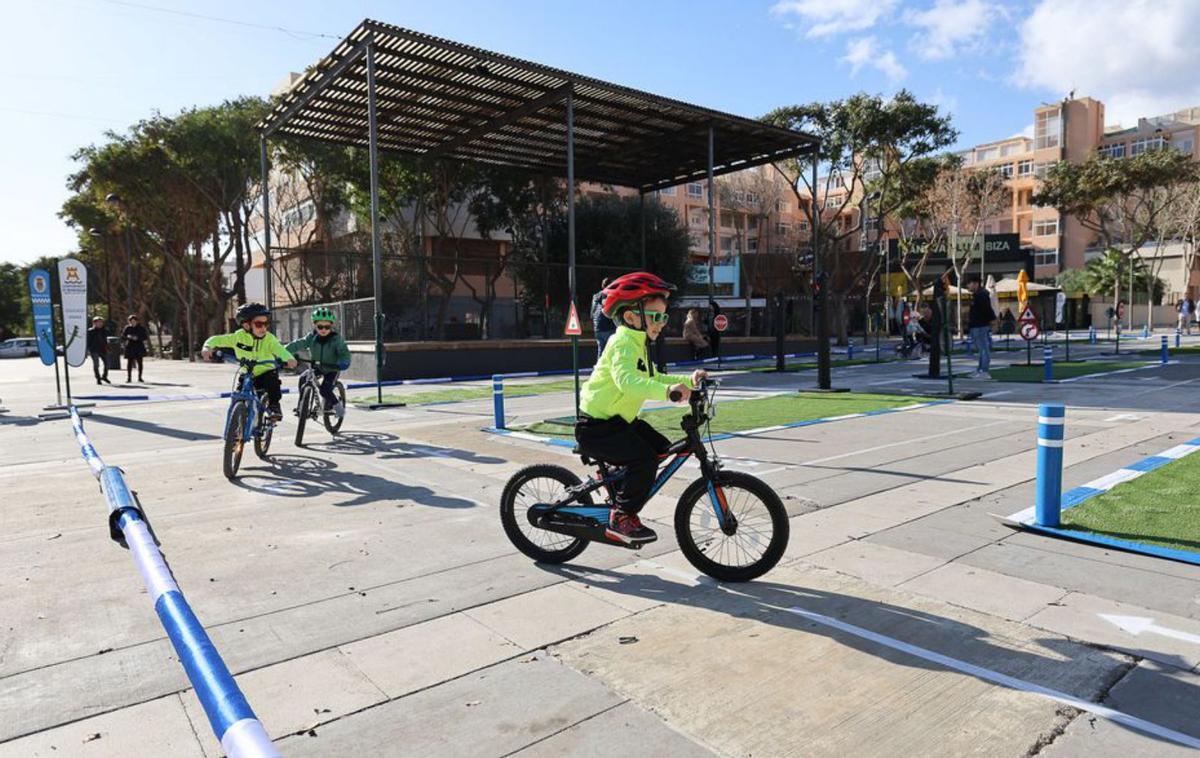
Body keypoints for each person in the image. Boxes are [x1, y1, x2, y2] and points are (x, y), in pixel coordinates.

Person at [575, 272, 704, 544]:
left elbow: (653, 377)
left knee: (660, 448)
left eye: (664, 317)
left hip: (618, 422)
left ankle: (615, 480)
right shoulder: (622, 342)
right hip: (599, 427)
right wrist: (668, 392)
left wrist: (687, 380)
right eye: (655, 316)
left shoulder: (638, 344)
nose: (661, 323)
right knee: (644, 459)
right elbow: (629, 382)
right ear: (632, 317)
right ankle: (621, 516)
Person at [200, 302, 296, 420]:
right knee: (239, 396)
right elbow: (216, 340)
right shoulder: (238, 337)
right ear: (246, 325)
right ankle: (237, 425)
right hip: (247, 372)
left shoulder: (269, 339)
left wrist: (289, 358)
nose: (264, 328)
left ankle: (274, 407)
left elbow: (280, 350)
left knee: (273, 385)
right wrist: (207, 347)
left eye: (266, 324)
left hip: (266, 371)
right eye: (259, 324)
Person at [285, 306, 352, 419]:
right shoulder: (311, 338)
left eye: (327, 326)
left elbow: (344, 352)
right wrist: (283, 351)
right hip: (317, 367)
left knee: (325, 390)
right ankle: (302, 406)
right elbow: (298, 344)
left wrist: (343, 362)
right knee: (303, 378)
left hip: (332, 369)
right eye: (320, 326)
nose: (323, 329)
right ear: (315, 325)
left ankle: (337, 406)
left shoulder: (336, 339)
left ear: (331, 326)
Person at [966, 276, 996, 377]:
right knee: (981, 349)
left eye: (969, 283)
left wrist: (992, 319)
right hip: (976, 325)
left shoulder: (982, 294)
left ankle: (984, 370)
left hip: (981, 326)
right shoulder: (976, 295)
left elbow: (987, 309)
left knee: (983, 349)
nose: (968, 286)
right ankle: (980, 369)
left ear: (975, 284)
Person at [591, 278, 615, 360]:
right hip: (608, 327)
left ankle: (599, 369)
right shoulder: (610, 295)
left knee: (601, 350)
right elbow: (610, 311)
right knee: (612, 349)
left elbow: (592, 312)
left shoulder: (595, 296)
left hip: (597, 328)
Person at [121, 314, 149, 383]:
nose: (133, 322)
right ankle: (129, 377)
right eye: (131, 321)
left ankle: (140, 377)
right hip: (130, 346)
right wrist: (128, 337)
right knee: (129, 363)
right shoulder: (127, 328)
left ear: (137, 321)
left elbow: (145, 337)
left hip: (139, 346)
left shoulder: (141, 328)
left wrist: (138, 338)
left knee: (140, 362)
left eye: (134, 321)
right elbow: (123, 336)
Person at [86, 316, 112, 385]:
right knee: (96, 364)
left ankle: (104, 376)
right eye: (98, 322)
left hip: (103, 349)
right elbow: (88, 341)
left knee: (107, 363)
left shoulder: (104, 330)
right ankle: (98, 378)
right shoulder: (90, 331)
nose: (100, 324)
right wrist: (88, 349)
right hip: (94, 349)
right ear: (94, 323)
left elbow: (106, 339)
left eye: (101, 322)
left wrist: (108, 347)